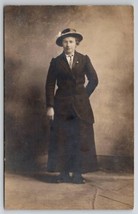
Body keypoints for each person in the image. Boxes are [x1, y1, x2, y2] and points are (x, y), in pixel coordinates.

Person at [45, 28, 98, 184]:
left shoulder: (84, 59)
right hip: (61, 106)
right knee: (62, 139)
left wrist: (83, 96)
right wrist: (50, 106)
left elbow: (94, 80)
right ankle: (62, 174)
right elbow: (49, 84)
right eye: (65, 42)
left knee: (79, 139)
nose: (68, 45)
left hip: (81, 108)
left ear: (76, 43)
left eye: (71, 42)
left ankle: (77, 174)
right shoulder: (56, 62)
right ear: (61, 44)